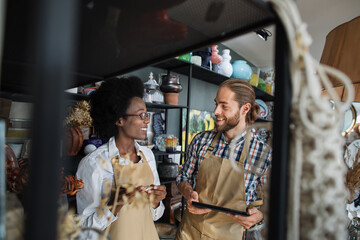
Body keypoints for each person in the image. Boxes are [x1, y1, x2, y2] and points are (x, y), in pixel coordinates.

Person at [175, 78, 272, 240]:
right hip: (190, 232)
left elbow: (272, 202)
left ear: (245, 108)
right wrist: (188, 193)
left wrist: (259, 216)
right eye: (216, 104)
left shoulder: (262, 152)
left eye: (224, 106)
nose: (216, 111)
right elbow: (183, 177)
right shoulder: (201, 140)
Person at [76, 76, 166, 240]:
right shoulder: (94, 163)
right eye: (141, 115)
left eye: (147, 114)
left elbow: (155, 215)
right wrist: (114, 205)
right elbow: (84, 232)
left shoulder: (148, 156)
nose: (147, 120)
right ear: (119, 120)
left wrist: (156, 202)